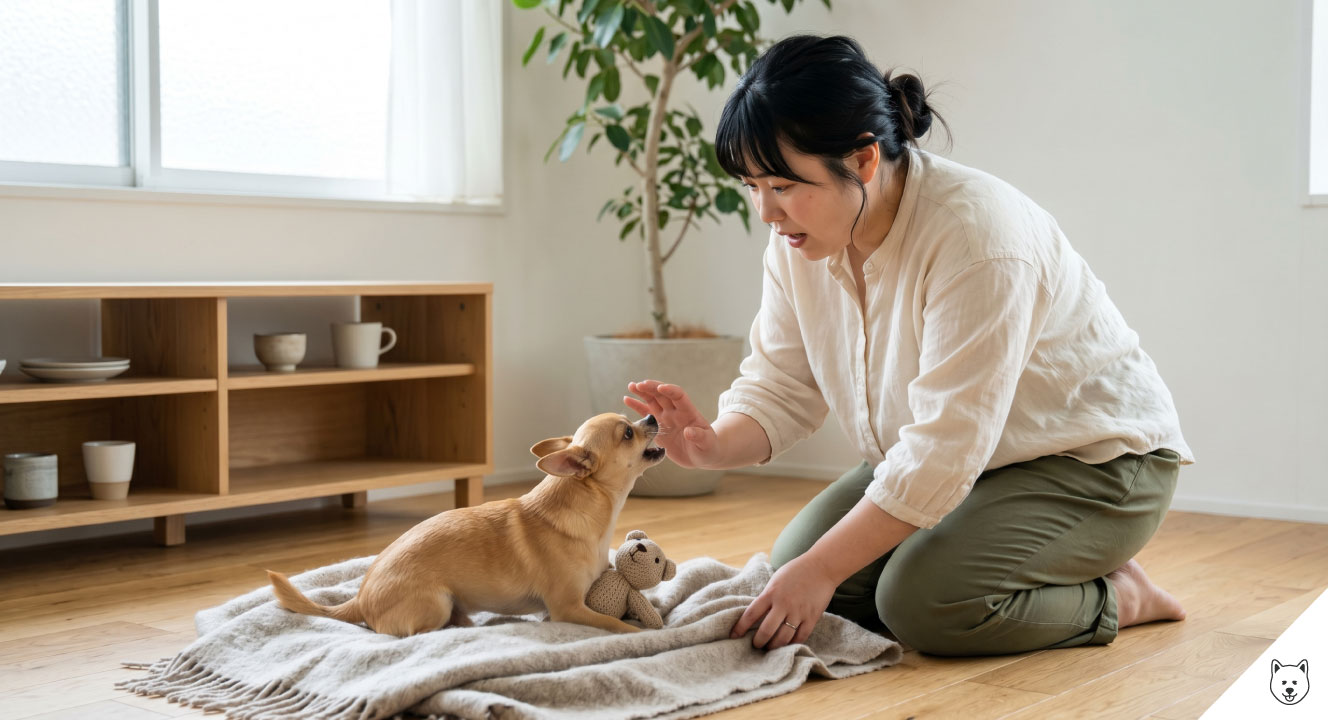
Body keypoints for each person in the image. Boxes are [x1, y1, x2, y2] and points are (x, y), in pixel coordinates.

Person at [623, 34, 1193, 657]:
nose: (765, 211)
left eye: (782, 185)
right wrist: (713, 445)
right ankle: (979, 555)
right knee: (804, 573)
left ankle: (1121, 597)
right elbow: (782, 383)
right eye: (752, 185)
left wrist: (820, 570)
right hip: (967, 458)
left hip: (1092, 463)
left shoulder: (978, 237)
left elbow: (944, 448)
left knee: (922, 604)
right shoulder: (800, 239)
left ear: (864, 159)